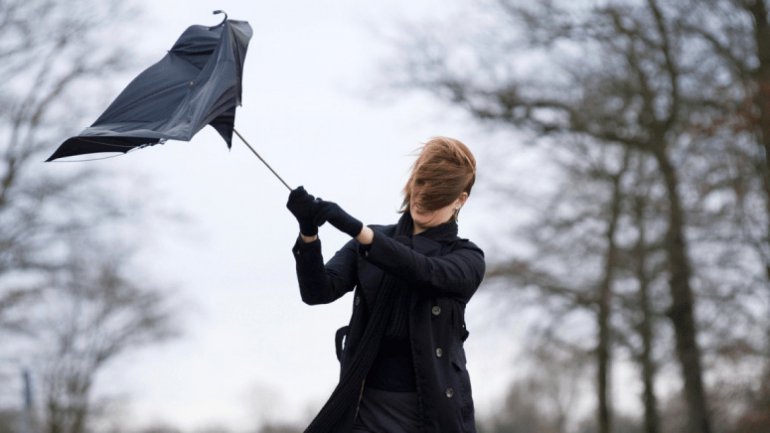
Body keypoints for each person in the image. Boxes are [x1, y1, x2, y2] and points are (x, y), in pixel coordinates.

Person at [286, 136, 485, 433]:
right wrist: (308, 234)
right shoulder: (371, 242)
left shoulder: (466, 258)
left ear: (460, 199)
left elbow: (425, 271)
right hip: (364, 408)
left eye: (436, 197)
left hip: (430, 415)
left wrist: (359, 232)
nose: (422, 201)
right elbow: (318, 292)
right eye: (420, 188)